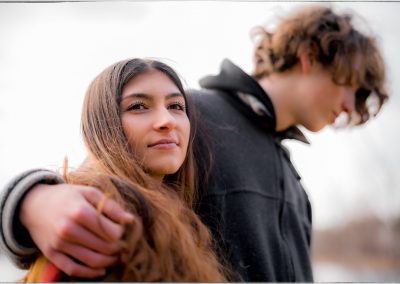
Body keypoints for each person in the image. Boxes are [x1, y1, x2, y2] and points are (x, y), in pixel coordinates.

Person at [0, 5, 388, 282]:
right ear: (309, 57)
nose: (351, 107)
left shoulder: (295, 182)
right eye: (352, 86)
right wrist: (31, 201)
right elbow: (97, 181)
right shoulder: (187, 116)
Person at [3, 58, 228, 281]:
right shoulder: (98, 215)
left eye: (176, 106)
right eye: (138, 106)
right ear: (103, 126)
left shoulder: (182, 219)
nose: (166, 120)